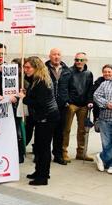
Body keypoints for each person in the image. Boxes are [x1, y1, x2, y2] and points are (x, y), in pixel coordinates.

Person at [20, 56, 59, 186]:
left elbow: (39, 103)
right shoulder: (37, 79)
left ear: (36, 68)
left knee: (43, 148)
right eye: (24, 67)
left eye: (28, 67)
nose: (25, 70)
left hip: (47, 118)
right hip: (43, 117)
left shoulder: (41, 81)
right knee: (39, 147)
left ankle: (43, 177)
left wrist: (24, 98)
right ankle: (39, 171)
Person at [63, 52, 94, 161]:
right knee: (66, 129)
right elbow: (64, 87)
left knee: (82, 130)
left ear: (86, 61)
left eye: (81, 60)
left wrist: (90, 101)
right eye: (76, 60)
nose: (78, 62)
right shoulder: (68, 71)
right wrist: (67, 100)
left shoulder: (89, 73)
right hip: (71, 104)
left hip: (84, 105)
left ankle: (81, 153)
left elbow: (91, 89)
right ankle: (63, 152)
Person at [45, 48, 71, 164]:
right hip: (47, 105)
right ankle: (42, 154)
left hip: (62, 106)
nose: (56, 57)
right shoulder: (43, 69)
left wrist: (68, 100)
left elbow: (71, 87)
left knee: (59, 132)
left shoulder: (67, 70)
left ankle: (58, 155)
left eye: (58, 54)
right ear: (49, 56)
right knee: (46, 132)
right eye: (54, 54)